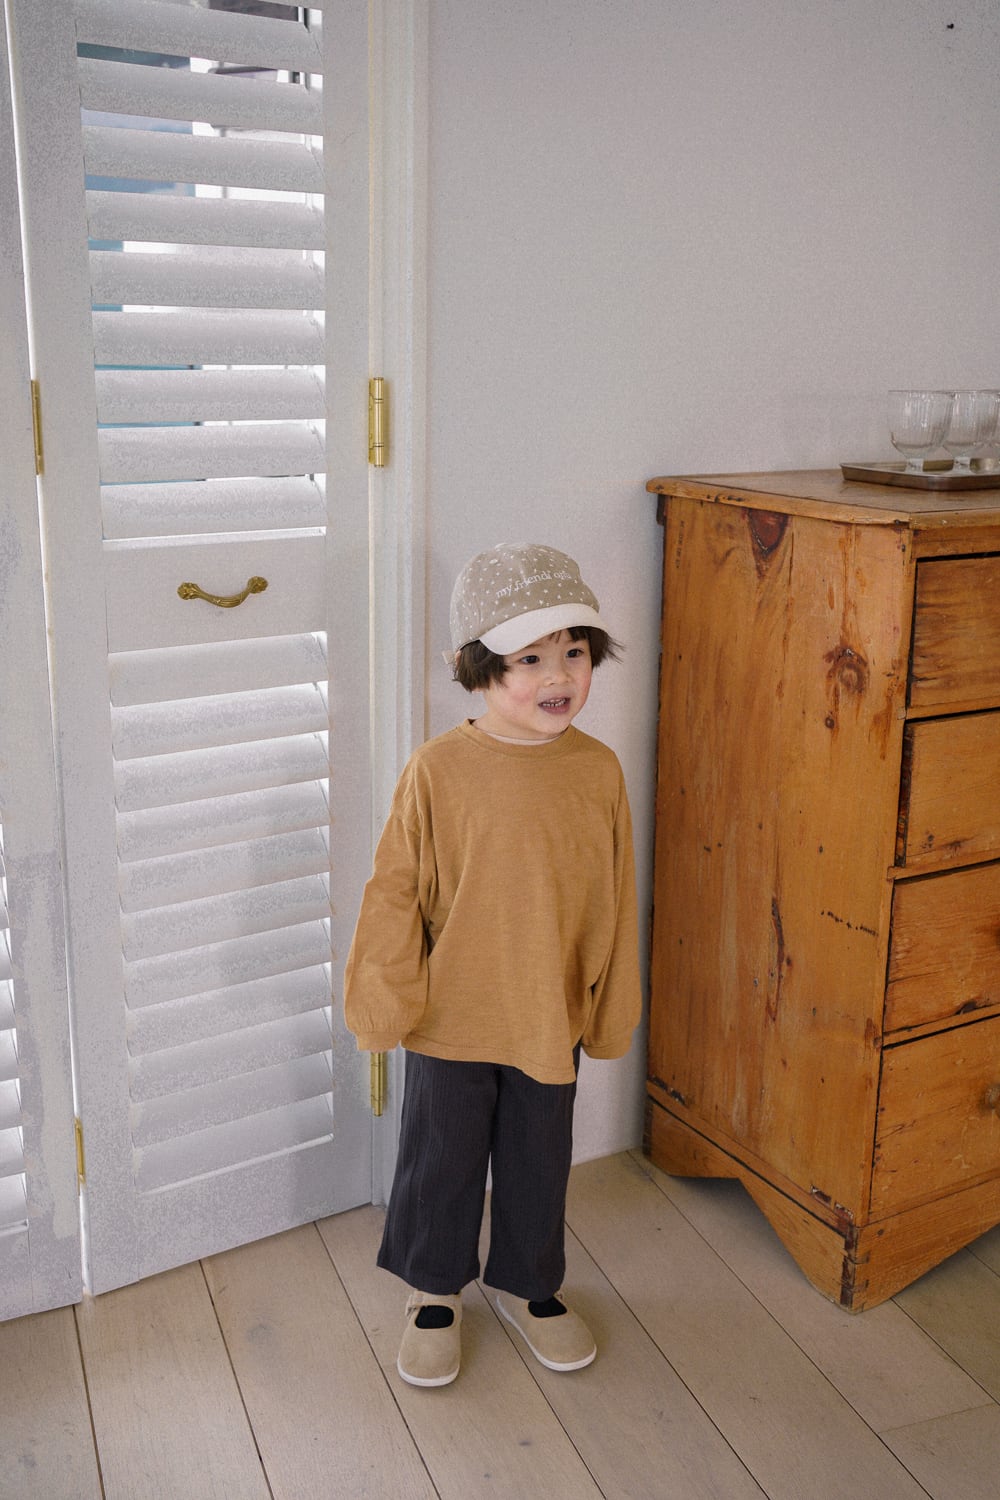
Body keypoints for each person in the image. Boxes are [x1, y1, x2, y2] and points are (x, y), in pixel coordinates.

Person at [344, 542, 642, 1387]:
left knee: (537, 1160)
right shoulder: (438, 770)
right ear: (479, 667)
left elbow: (616, 894)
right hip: (452, 1015)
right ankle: (433, 1289)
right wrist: (383, 1000)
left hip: (549, 1014)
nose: (560, 676)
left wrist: (610, 1008)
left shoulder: (597, 772)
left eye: (574, 652)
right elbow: (395, 890)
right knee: (440, 1161)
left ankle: (527, 1283)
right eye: (530, 659)